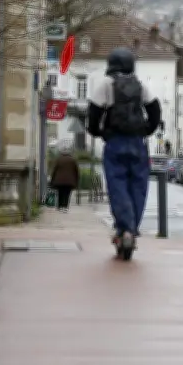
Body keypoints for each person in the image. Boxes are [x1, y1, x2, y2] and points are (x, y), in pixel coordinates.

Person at [87, 48, 162, 248]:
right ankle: (132, 228)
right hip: (138, 142)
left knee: (117, 184)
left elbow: (93, 114)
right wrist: (147, 130)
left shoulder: (106, 85)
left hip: (115, 142)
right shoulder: (141, 85)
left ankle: (125, 228)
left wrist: (99, 132)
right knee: (138, 185)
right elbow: (155, 111)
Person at [49, 141, 79, 212]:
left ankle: (59, 206)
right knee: (67, 194)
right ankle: (65, 207)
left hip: (59, 181)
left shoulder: (58, 159)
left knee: (60, 193)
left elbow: (54, 170)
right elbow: (76, 171)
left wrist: (52, 180)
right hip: (69, 181)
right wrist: (76, 181)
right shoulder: (73, 160)